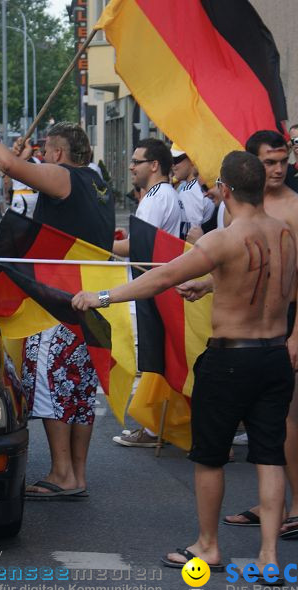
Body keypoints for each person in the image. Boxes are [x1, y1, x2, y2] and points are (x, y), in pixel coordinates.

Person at [73, 151, 297, 580]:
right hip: (274, 355)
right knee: (270, 456)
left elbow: (161, 277)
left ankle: (208, 546)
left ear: (226, 190)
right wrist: (213, 283)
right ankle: (269, 556)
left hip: (230, 358)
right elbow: (269, 273)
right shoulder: (284, 233)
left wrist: (100, 297)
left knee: (210, 456)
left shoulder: (222, 238)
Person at [0, 101, 115, 499]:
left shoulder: (63, 177)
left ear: (58, 154)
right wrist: (29, 164)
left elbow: (7, 165)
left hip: (54, 304)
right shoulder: (98, 185)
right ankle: (76, 474)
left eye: (44, 152)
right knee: (78, 391)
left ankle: (61, 474)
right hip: (89, 301)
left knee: (51, 384)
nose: (41, 158)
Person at [182, 130, 298, 538]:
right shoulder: (237, 210)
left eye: (282, 161)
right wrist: (206, 284)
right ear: (254, 169)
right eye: (269, 162)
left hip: (282, 329)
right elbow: (238, 265)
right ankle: (270, 517)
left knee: (282, 427)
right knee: (265, 439)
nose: (278, 169)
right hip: (249, 337)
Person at [110, 138, 187, 448]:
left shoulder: (156, 198)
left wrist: (98, 241)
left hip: (154, 284)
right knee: (159, 359)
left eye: (137, 161)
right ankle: (157, 425)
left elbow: (137, 248)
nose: (131, 167)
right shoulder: (168, 194)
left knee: (153, 360)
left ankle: (155, 427)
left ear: (154, 165)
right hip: (163, 282)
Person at [10, 145, 41, 217]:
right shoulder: (36, 160)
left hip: (20, 196)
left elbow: (6, 180)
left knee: (18, 222)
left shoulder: (15, 161)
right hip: (35, 196)